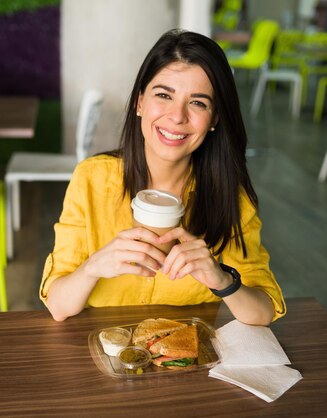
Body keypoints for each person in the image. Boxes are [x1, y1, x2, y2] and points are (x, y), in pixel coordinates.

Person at [39, 29, 285, 325]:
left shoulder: (230, 196)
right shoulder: (92, 178)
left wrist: (220, 279)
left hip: (188, 359)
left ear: (214, 119)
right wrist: (93, 267)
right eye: (164, 95)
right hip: (102, 354)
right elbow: (58, 305)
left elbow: (263, 311)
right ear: (140, 102)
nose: (177, 116)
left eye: (198, 102)